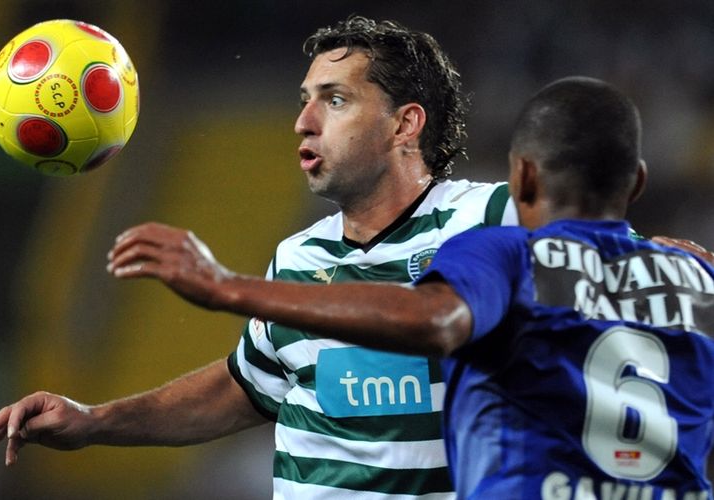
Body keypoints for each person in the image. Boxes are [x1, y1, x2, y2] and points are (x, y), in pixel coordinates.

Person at [0, 16, 516, 499]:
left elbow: (443, 317)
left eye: (333, 100)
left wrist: (226, 286)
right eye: (304, 99)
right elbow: (244, 388)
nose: (303, 121)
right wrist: (95, 421)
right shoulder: (299, 256)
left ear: (405, 125)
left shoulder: (488, 216)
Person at [101, 77, 714, 498]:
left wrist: (227, 288)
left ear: (522, 177)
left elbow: (435, 321)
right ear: (635, 182)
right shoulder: (697, 279)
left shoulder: (500, 250)